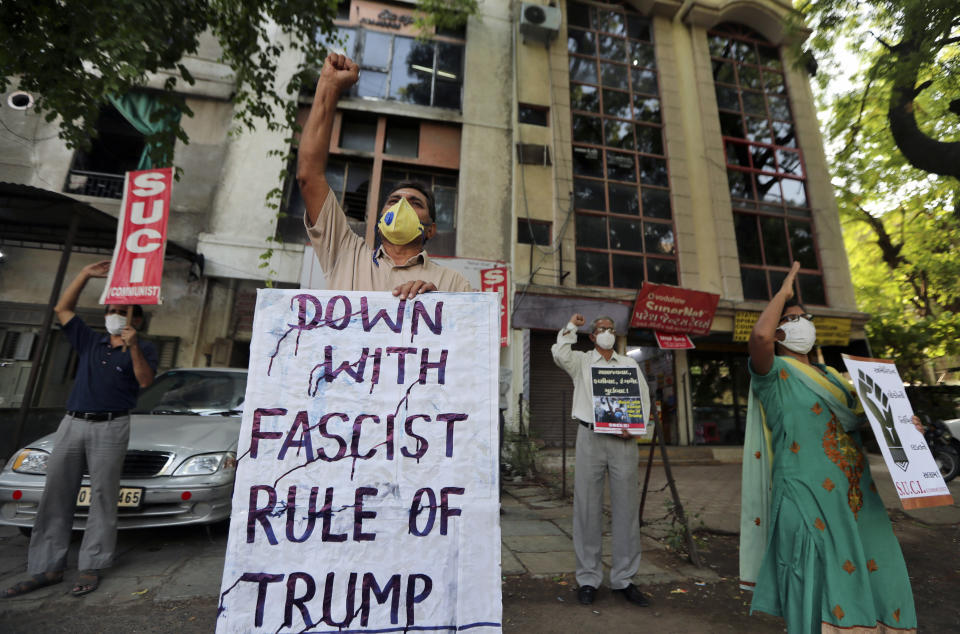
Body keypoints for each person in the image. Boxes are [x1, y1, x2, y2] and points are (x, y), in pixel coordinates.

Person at [740, 261, 916, 633]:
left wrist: (903, 425)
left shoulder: (836, 378)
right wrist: (784, 293)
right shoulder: (772, 374)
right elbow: (758, 338)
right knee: (816, 578)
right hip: (805, 495)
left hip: (856, 497)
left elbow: (865, 425)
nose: (799, 322)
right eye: (789, 319)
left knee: (882, 569)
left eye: (804, 317)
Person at [3, 260, 157, 598]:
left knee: (103, 497)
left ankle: (91, 565)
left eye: (122, 311)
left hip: (111, 426)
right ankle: (47, 567)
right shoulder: (90, 342)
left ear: (138, 319)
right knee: (56, 494)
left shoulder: (144, 348)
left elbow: (144, 380)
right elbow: (62, 308)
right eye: (111, 310)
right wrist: (85, 275)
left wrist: (132, 346)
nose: (114, 315)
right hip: (73, 423)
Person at [297, 53, 471, 297]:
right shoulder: (345, 255)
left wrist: (438, 306)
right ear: (379, 220)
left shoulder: (454, 284)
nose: (402, 205)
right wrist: (328, 85)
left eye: (415, 203)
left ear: (431, 229)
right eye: (393, 200)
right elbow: (309, 176)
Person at [551, 314, 650, 607]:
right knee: (587, 508)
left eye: (610, 329)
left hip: (623, 441)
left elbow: (642, 401)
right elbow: (558, 353)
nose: (606, 332)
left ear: (615, 335)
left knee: (626, 510)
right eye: (600, 329)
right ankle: (587, 578)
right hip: (590, 437)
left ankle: (624, 579)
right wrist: (571, 326)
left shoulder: (629, 365)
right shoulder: (581, 362)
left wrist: (633, 428)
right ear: (592, 337)